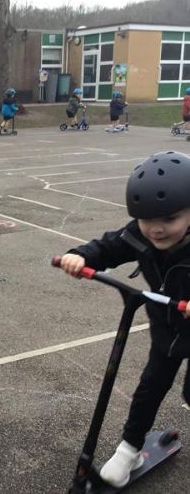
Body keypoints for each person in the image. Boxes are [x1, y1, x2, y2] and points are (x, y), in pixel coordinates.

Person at [57, 151, 190, 489]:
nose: (156, 230)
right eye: (147, 220)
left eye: (170, 219)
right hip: (166, 332)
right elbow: (111, 246)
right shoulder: (141, 234)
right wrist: (80, 256)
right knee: (149, 389)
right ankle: (129, 450)